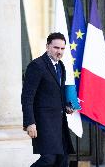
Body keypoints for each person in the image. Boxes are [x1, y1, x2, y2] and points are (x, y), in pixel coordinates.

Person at [21, 32, 75, 167]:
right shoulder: (37, 65)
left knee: (62, 160)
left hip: (59, 122)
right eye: (56, 48)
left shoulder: (61, 66)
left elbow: (58, 92)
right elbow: (27, 96)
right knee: (48, 159)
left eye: (62, 49)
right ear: (47, 47)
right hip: (43, 122)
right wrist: (29, 123)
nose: (59, 52)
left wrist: (67, 106)